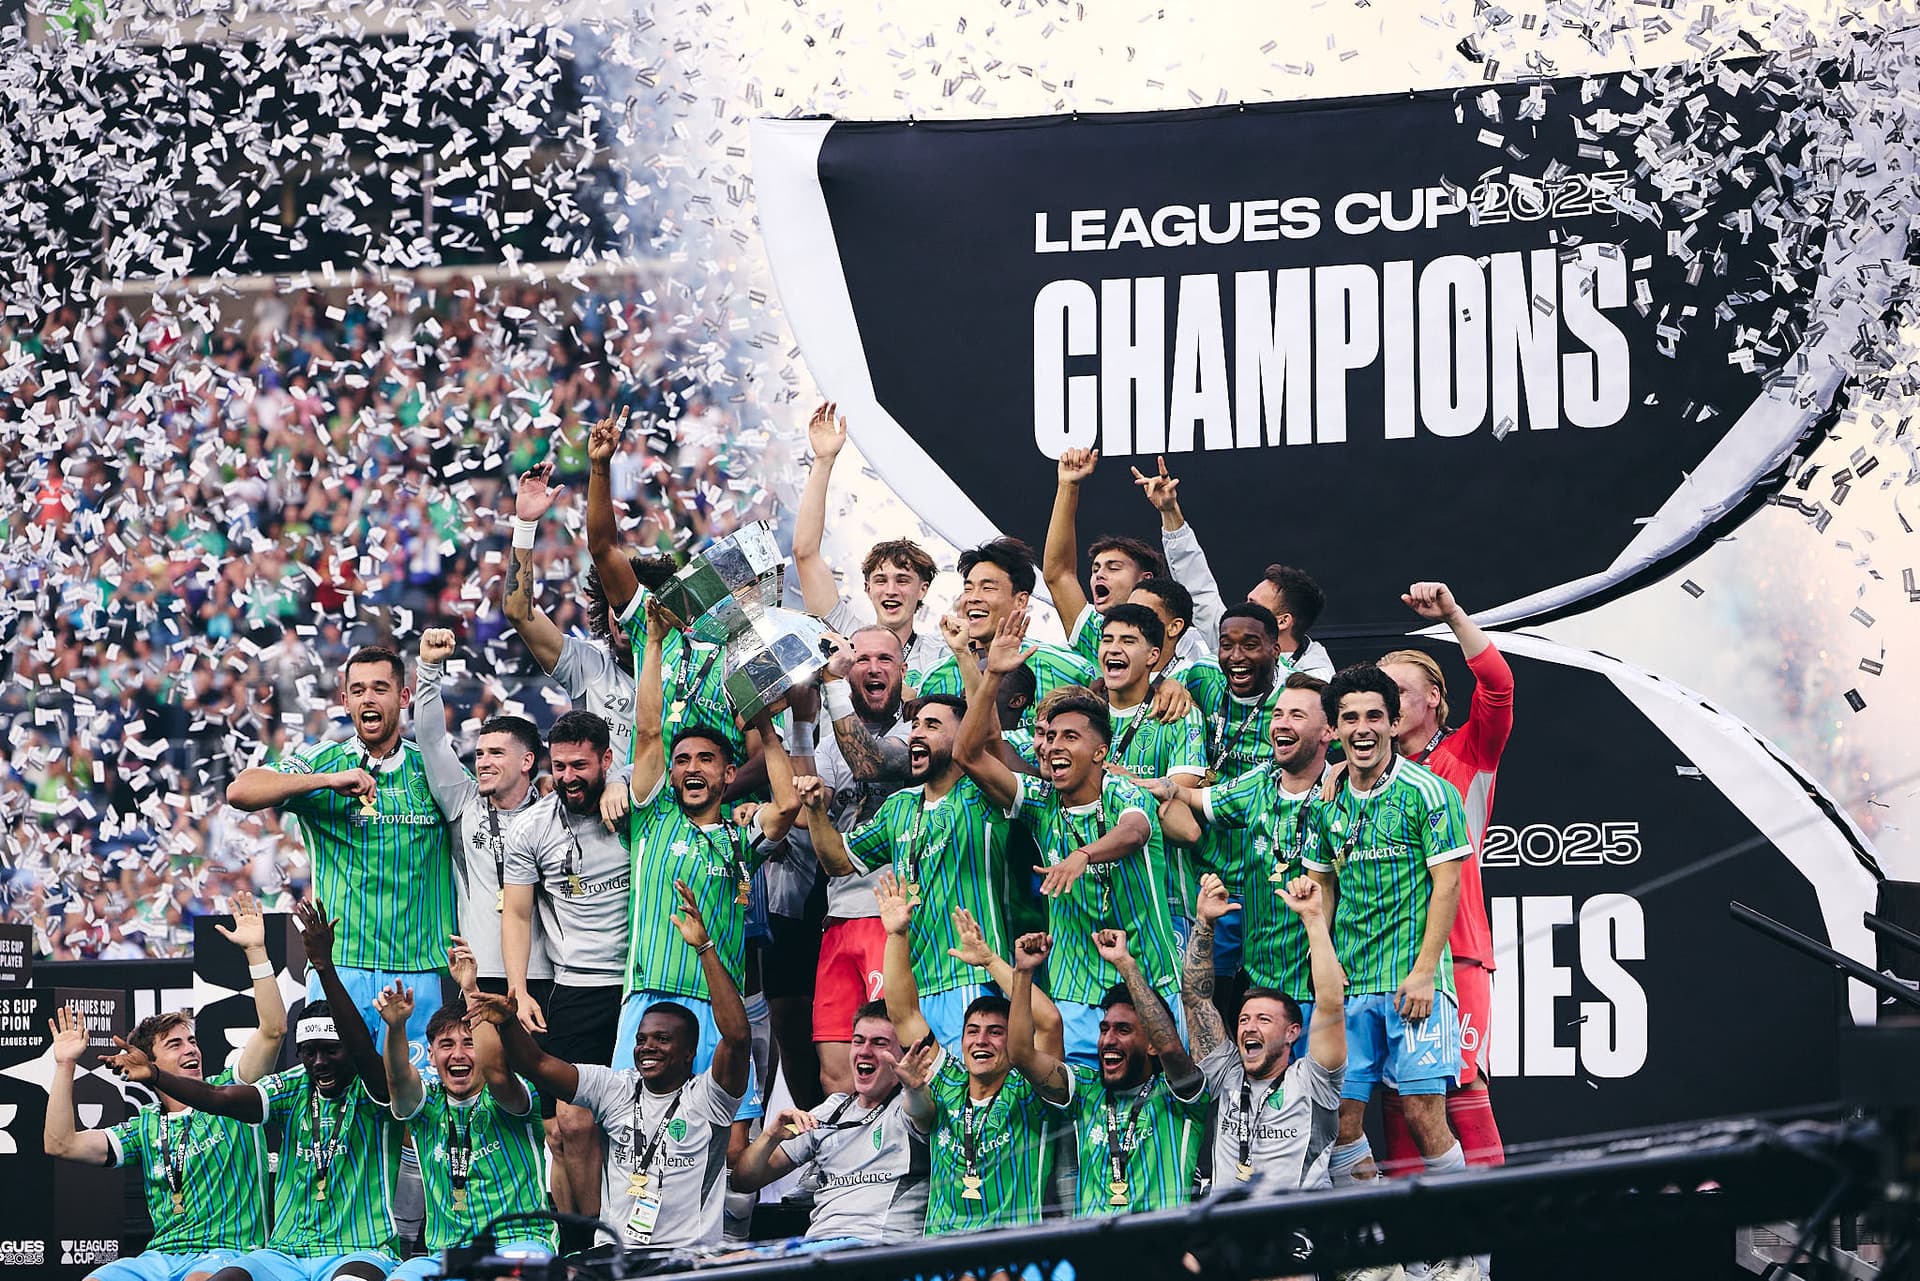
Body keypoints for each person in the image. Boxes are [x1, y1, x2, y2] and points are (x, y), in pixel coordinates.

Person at [107, 901, 406, 1281]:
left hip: (357, 1250)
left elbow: (362, 1050)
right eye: (309, 1053)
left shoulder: (373, 1089)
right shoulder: (294, 1086)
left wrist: (324, 968)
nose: (319, 1063)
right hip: (285, 1253)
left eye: (331, 1051)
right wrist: (154, 1075)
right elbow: (219, 1099)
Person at [466, 881, 751, 1252]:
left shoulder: (710, 1098)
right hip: (616, 1256)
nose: (647, 1047)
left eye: (662, 1039)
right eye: (642, 1039)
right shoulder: (615, 1087)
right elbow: (536, 1064)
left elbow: (738, 1037)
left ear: (689, 1052)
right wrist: (506, 1024)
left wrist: (704, 948)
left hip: (686, 1259)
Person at [954, 609, 1184, 1066]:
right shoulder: (1041, 802)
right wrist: (993, 677)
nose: (1054, 746)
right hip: (1076, 992)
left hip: (1149, 978)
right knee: (1080, 1117)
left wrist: (1081, 855)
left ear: (1100, 751)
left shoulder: (1122, 791)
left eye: (1070, 737)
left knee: (1161, 1105)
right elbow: (967, 754)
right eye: (1050, 736)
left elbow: (1135, 831)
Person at [225, 645, 454, 1060]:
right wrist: (327, 781)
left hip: (420, 971)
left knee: (417, 1107)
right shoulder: (323, 762)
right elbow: (240, 791)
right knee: (341, 1104)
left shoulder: (436, 768)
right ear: (344, 699)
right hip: (341, 968)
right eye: (358, 689)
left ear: (403, 698)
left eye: (380, 688)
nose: (369, 698)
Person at [43, 891, 285, 1281]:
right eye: (175, 1044)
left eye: (192, 1041)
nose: (191, 1049)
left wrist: (256, 951)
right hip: (159, 1259)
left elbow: (273, 1031)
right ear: (148, 1063)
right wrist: (65, 1064)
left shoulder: (232, 1094)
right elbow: (60, 1144)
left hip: (229, 1256)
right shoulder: (144, 1125)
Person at [621, 598, 801, 1102]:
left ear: (728, 774)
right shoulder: (652, 820)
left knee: (724, 1145)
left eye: (706, 758)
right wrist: (653, 643)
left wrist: (766, 726)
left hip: (718, 1006)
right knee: (636, 1133)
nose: (692, 767)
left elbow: (785, 805)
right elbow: (650, 731)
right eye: (682, 761)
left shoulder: (742, 838)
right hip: (647, 1000)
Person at [1305, 664, 1472, 1198]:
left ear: (1395, 722)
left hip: (1414, 985)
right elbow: (1323, 888)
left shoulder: (1430, 793)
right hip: (1348, 990)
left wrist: (1424, 973)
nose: (1363, 728)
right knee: (1342, 1125)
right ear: (1333, 728)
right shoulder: (1326, 802)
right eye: (1349, 717)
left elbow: (1448, 886)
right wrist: (1324, 980)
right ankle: (1376, 1256)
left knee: (1425, 1116)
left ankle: (1466, 1258)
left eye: (1374, 716)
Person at [1375, 582, 1515, 1176]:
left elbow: (1499, 687)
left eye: (1400, 693)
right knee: (1400, 1099)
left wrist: (1455, 615)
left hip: (1455, 952)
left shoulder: (1467, 753)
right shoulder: (1360, 776)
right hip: (1380, 957)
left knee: (1456, 1089)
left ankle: (1481, 1253)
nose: (1389, 705)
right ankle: (1413, 1258)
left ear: (1433, 697)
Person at [801, 693, 1012, 1050]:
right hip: (914, 987)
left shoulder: (983, 796)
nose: (917, 734)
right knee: (924, 1098)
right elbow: (836, 861)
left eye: (933, 726)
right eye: (915, 726)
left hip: (970, 977)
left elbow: (988, 738)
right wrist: (815, 810)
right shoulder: (899, 806)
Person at [499, 709, 630, 1236]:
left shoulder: (632, 810)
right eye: (561, 766)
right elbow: (517, 912)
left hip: (640, 984)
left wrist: (624, 787)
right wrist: (518, 988)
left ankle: (638, 1240)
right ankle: (586, 1244)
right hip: (576, 989)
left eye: (582, 765)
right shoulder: (532, 828)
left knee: (643, 1122)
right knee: (572, 1124)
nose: (570, 777)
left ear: (605, 760)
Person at [873, 872, 1058, 1235]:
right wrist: (896, 935)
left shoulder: (1030, 1092)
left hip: (1012, 1256)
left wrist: (993, 962)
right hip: (944, 1257)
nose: (981, 1041)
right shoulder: (946, 1082)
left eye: (995, 1033)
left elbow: (1049, 1022)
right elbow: (904, 1014)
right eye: (972, 1032)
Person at [1147, 672, 1333, 1016]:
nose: (1281, 724)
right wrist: (1161, 787)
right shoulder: (1260, 781)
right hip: (1260, 982)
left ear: (1328, 731)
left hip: (1320, 985)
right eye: (1278, 714)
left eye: (1297, 716)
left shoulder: (1342, 793)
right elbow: (1194, 796)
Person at [377, 938, 556, 1279]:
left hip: (517, 1242)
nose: (458, 1055)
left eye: (469, 1043)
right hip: (448, 1252)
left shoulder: (511, 1096)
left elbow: (496, 1070)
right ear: (431, 1056)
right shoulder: (426, 1103)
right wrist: (397, 1026)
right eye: (446, 1045)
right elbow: (399, 1081)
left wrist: (471, 989)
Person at [585, 409, 748, 765]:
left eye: (733, 588)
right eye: (708, 580)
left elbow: (762, 757)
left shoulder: (747, 658)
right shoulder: (652, 628)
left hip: (727, 812)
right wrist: (600, 468)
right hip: (653, 810)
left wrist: (715, 795)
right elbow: (602, 549)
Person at [1008, 929, 1207, 1216]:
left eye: (1123, 1030)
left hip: (1157, 1251)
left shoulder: (1179, 1096)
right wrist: (1023, 973)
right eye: (1104, 1030)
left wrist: (1127, 965)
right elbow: (1021, 1054)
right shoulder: (1085, 1090)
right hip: (1092, 1252)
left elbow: (1172, 1049)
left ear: (1151, 1044)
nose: (1108, 1040)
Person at [502, 455, 670, 786]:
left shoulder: (684, 670)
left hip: (662, 828)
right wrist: (524, 524)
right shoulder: (588, 662)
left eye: (639, 608)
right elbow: (519, 612)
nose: (624, 619)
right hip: (596, 822)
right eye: (618, 607)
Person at [797, 628, 914, 1097]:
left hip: (889, 917)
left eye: (885, 659)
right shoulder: (827, 746)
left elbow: (871, 764)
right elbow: (808, 807)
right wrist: (799, 725)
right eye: (860, 658)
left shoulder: (919, 731)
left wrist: (829, 687)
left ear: (903, 670)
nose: (872, 667)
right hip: (838, 914)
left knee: (891, 1056)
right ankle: (847, 1166)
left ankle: (895, 1163)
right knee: (837, 1068)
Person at [1183, 872, 1347, 1192]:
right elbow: (1196, 999)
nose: (1249, 1027)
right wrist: (1204, 923)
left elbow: (1330, 1004)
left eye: (1263, 1020)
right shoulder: (1226, 1071)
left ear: (1292, 1033)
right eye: (1243, 1020)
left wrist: (1313, 918)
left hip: (1293, 1226)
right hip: (1228, 1229)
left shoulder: (1313, 1081)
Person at [412, 628, 549, 1000]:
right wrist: (428, 668)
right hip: (479, 974)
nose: (483, 763)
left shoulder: (553, 813)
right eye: (480, 754)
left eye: (496, 754)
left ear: (527, 761)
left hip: (547, 975)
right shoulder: (463, 801)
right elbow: (432, 740)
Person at [729, 999, 929, 1246]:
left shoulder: (910, 1106)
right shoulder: (832, 1110)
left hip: (879, 1250)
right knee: (727, 1266)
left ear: (904, 1053)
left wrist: (915, 1087)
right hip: (818, 1248)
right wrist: (771, 1136)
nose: (864, 1050)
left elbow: (921, 1110)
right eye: (858, 1041)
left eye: (880, 1043)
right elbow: (743, 1181)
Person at [1133, 454, 1333, 679]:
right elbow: (1199, 590)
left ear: (1283, 621)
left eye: (1253, 604)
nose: (1235, 655)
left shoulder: (1316, 675)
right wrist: (1169, 512)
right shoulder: (1228, 636)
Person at [793, 402, 949, 690]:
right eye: (880, 580)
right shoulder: (844, 631)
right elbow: (805, 554)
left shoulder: (941, 656)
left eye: (903, 580)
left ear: (923, 589)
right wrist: (824, 461)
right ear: (867, 588)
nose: (890, 590)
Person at [1090, 603, 1208, 938]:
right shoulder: (1081, 714)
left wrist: (1105, 776)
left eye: (1128, 641)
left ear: (1153, 656)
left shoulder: (1177, 715)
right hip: (1095, 904)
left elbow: (1179, 808)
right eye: (1107, 639)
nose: (1114, 648)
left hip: (1166, 904)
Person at [913, 536, 1098, 723]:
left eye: (987, 588)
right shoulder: (936, 676)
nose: (973, 598)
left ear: (1021, 601)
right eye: (968, 589)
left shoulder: (1069, 670)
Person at [1041, 446, 1182, 664]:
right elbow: (1059, 575)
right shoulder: (1095, 633)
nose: (1099, 575)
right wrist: (1068, 485)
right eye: (1095, 569)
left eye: (1114, 568)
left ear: (1145, 580)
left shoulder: (1180, 640)